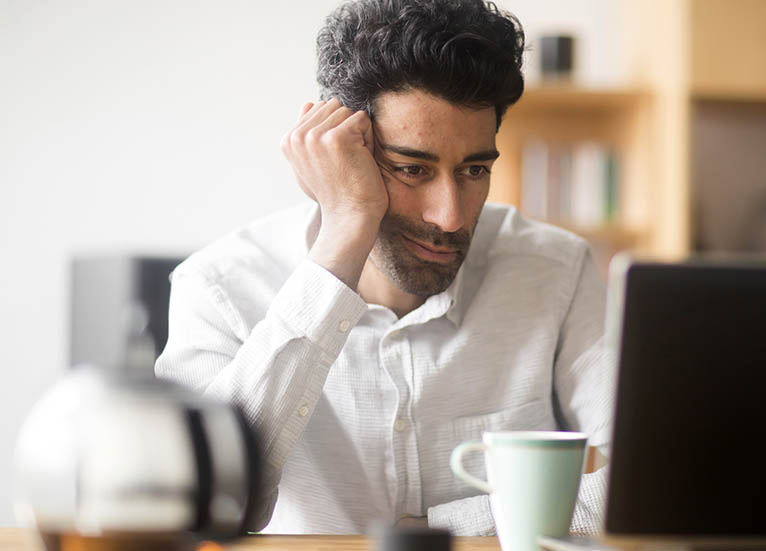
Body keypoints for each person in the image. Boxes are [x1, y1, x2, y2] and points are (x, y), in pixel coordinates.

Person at [155, 0, 613, 536]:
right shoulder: (219, 288)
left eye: (474, 169)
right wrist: (344, 234)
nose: (451, 215)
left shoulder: (553, 270)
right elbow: (209, 508)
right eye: (410, 169)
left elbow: (645, 479)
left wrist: (439, 530)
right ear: (337, 150)